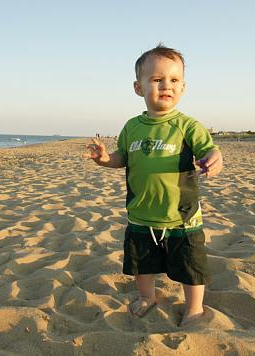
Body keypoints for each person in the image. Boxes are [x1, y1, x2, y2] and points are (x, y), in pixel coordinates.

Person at [84, 44, 223, 326]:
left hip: (181, 216)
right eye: (157, 79)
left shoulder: (188, 126)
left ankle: (194, 307)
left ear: (183, 87)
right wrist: (104, 159)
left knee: (190, 267)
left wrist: (214, 159)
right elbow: (121, 158)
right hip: (141, 214)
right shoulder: (132, 126)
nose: (166, 86)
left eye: (173, 80)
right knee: (142, 265)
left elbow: (209, 151)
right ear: (139, 87)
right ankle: (147, 296)